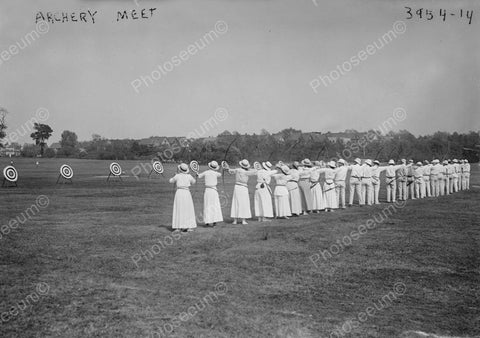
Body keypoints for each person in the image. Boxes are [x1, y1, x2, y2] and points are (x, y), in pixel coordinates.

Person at [169, 163, 197, 232]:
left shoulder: (177, 176)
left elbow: (170, 181)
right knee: (188, 209)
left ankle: (178, 227)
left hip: (180, 193)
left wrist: (174, 175)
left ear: (180, 169)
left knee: (179, 208)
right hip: (186, 193)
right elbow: (194, 182)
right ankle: (188, 227)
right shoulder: (189, 176)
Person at [228, 159, 257, 224]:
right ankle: (243, 220)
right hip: (243, 188)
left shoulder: (237, 170)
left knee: (236, 202)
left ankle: (235, 220)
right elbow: (255, 172)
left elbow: (230, 171)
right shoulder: (246, 172)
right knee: (244, 203)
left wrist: (228, 168)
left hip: (237, 187)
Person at [197, 161, 223, 227]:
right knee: (214, 205)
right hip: (213, 191)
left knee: (207, 205)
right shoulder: (216, 173)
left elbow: (199, 176)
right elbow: (220, 174)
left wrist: (197, 174)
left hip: (208, 191)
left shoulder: (206, 172)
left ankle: (207, 222)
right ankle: (214, 222)